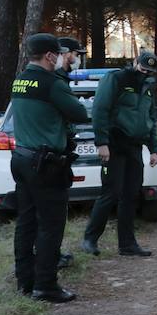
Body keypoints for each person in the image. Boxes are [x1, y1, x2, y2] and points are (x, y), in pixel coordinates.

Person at [10, 33, 89, 303]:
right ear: (50, 56)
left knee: (26, 223)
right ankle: (46, 286)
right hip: (45, 163)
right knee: (51, 226)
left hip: (21, 158)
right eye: (58, 54)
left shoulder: (20, 80)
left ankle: (25, 281)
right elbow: (79, 113)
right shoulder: (51, 83)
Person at [82, 50, 157, 257]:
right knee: (111, 193)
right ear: (135, 62)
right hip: (114, 145)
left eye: (149, 71)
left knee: (131, 195)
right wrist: (101, 142)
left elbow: (150, 118)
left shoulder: (148, 87)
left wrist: (153, 149)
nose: (145, 73)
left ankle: (127, 244)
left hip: (134, 147)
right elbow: (100, 109)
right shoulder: (116, 79)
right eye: (142, 68)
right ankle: (90, 239)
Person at [53, 36, 88, 270]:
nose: (77, 59)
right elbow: (79, 113)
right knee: (51, 215)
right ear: (66, 54)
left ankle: (52, 255)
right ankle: (50, 259)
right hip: (52, 155)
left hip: (54, 152)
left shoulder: (58, 80)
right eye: (75, 54)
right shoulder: (55, 82)